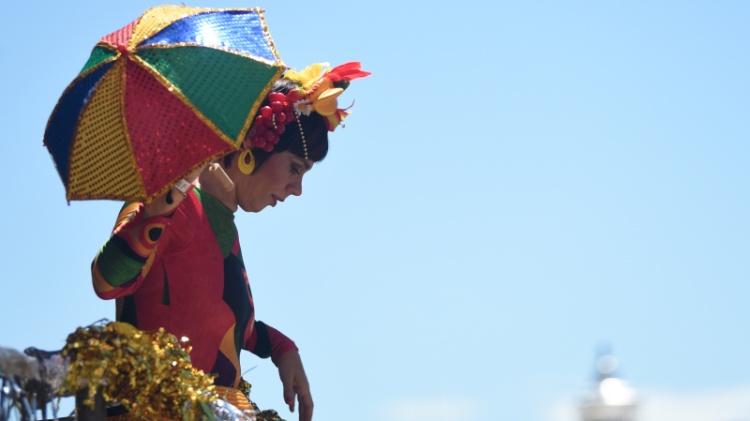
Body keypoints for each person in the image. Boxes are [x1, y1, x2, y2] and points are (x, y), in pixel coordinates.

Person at [91, 62, 370, 421]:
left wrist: (283, 348)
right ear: (254, 147)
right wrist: (159, 208)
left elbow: (224, 323)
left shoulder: (223, 223)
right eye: (295, 168)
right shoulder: (170, 200)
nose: (297, 189)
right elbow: (107, 279)